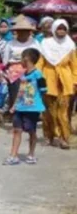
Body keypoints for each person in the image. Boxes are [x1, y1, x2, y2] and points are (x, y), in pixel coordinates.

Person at [5, 49, 48, 165]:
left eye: (22, 58)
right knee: (16, 130)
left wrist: (42, 108)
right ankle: (13, 155)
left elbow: (44, 90)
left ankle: (31, 154)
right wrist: (14, 105)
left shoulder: (38, 74)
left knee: (31, 131)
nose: (20, 61)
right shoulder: (23, 75)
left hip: (32, 109)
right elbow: (20, 91)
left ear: (27, 58)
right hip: (20, 107)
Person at [39, 19, 76, 149]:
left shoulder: (70, 46)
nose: (61, 31)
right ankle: (49, 136)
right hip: (48, 81)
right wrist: (37, 79)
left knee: (63, 112)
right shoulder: (45, 44)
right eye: (59, 28)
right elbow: (40, 64)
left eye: (64, 28)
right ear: (54, 29)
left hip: (65, 83)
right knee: (48, 111)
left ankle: (64, 138)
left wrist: (75, 82)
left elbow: (74, 66)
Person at [1, 16, 41, 114]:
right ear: (17, 31)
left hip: (30, 72)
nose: (23, 33)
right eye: (21, 31)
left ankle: (28, 117)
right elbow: (5, 61)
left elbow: (40, 57)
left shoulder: (35, 43)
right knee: (15, 95)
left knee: (29, 95)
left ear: (29, 32)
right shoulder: (10, 44)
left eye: (26, 31)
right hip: (14, 73)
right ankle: (16, 117)